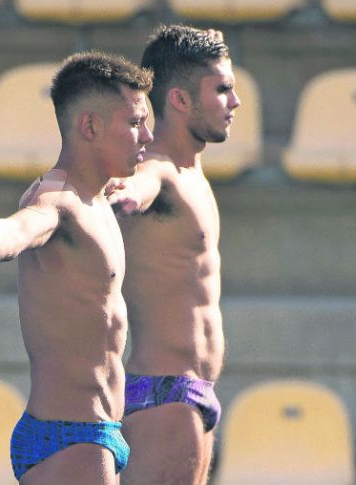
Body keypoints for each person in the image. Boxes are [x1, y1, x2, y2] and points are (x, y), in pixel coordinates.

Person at [0, 51, 154, 484]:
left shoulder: (95, 196)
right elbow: (20, 227)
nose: (147, 135)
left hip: (91, 432)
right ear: (90, 127)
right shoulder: (58, 199)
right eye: (135, 122)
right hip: (75, 436)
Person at [106, 25, 241, 485]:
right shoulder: (157, 167)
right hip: (164, 395)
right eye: (222, 90)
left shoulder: (192, 173)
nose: (235, 102)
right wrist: (127, 196)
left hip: (195, 394)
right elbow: (140, 184)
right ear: (180, 100)